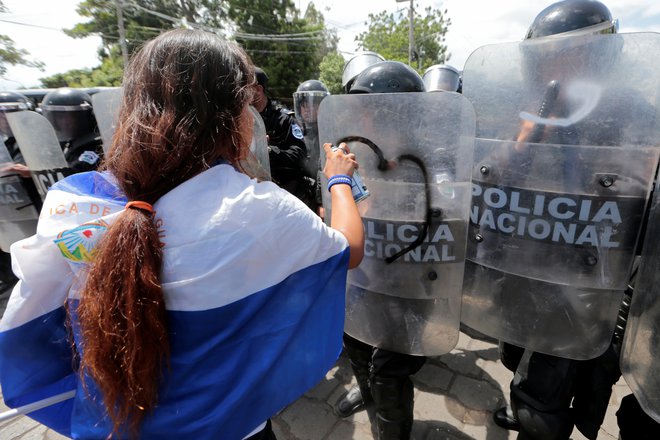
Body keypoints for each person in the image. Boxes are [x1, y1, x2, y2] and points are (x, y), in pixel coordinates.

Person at [0, 29, 364, 440]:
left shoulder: (73, 202)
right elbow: (348, 249)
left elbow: (33, 334)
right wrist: (339, 181)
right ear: (233, 117)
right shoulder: (258, 209)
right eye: (246, 104)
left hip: (111, 427)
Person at [479, 2, 652, 439]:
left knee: (545, 401)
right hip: (529, 267)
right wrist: (522, 141)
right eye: (547, 59)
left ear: (598, 57)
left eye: (568, 56)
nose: (556, 69)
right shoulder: (530, 110)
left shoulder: (634, 113)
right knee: (516, 360)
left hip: (588, 280)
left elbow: (637, 203)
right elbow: (490, 178)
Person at [332, 61, 427, 440]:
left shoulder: (426, 159)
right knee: (355, 343)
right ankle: (367, 394)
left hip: (405, 284)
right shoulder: (356, 153)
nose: (365, 119)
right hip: (363, 275)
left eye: (374, 109)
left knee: (389, 372)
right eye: (363, 110)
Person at [251, 67, 316, 209]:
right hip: (255, 197)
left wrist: (267, 151)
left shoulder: (284, 119)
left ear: (258, 90)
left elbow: (299, 155)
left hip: (287, 197)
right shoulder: (242, 120)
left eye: (245, 88)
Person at [0, 91, 40, 294]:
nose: (5, 118)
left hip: (38, 207)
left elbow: (49, 168)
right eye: (1, 114)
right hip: (12, 209)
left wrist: (20, 170)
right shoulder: (5, 144)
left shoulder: (37, 139)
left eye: (10, 112)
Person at [39, 87, 104, 172]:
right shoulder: (68, 142)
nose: (63, 122)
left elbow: (78, 172)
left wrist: (41, 172)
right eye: (58, 116)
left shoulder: (97, 145)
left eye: (68, 116)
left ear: (85, 117)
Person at [293, 79, 330, 215]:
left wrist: (322, 202)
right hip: (299, 200)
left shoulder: (330, 131)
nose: (308, 109)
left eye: (314, 105)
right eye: (304, 105)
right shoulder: (293, 132)